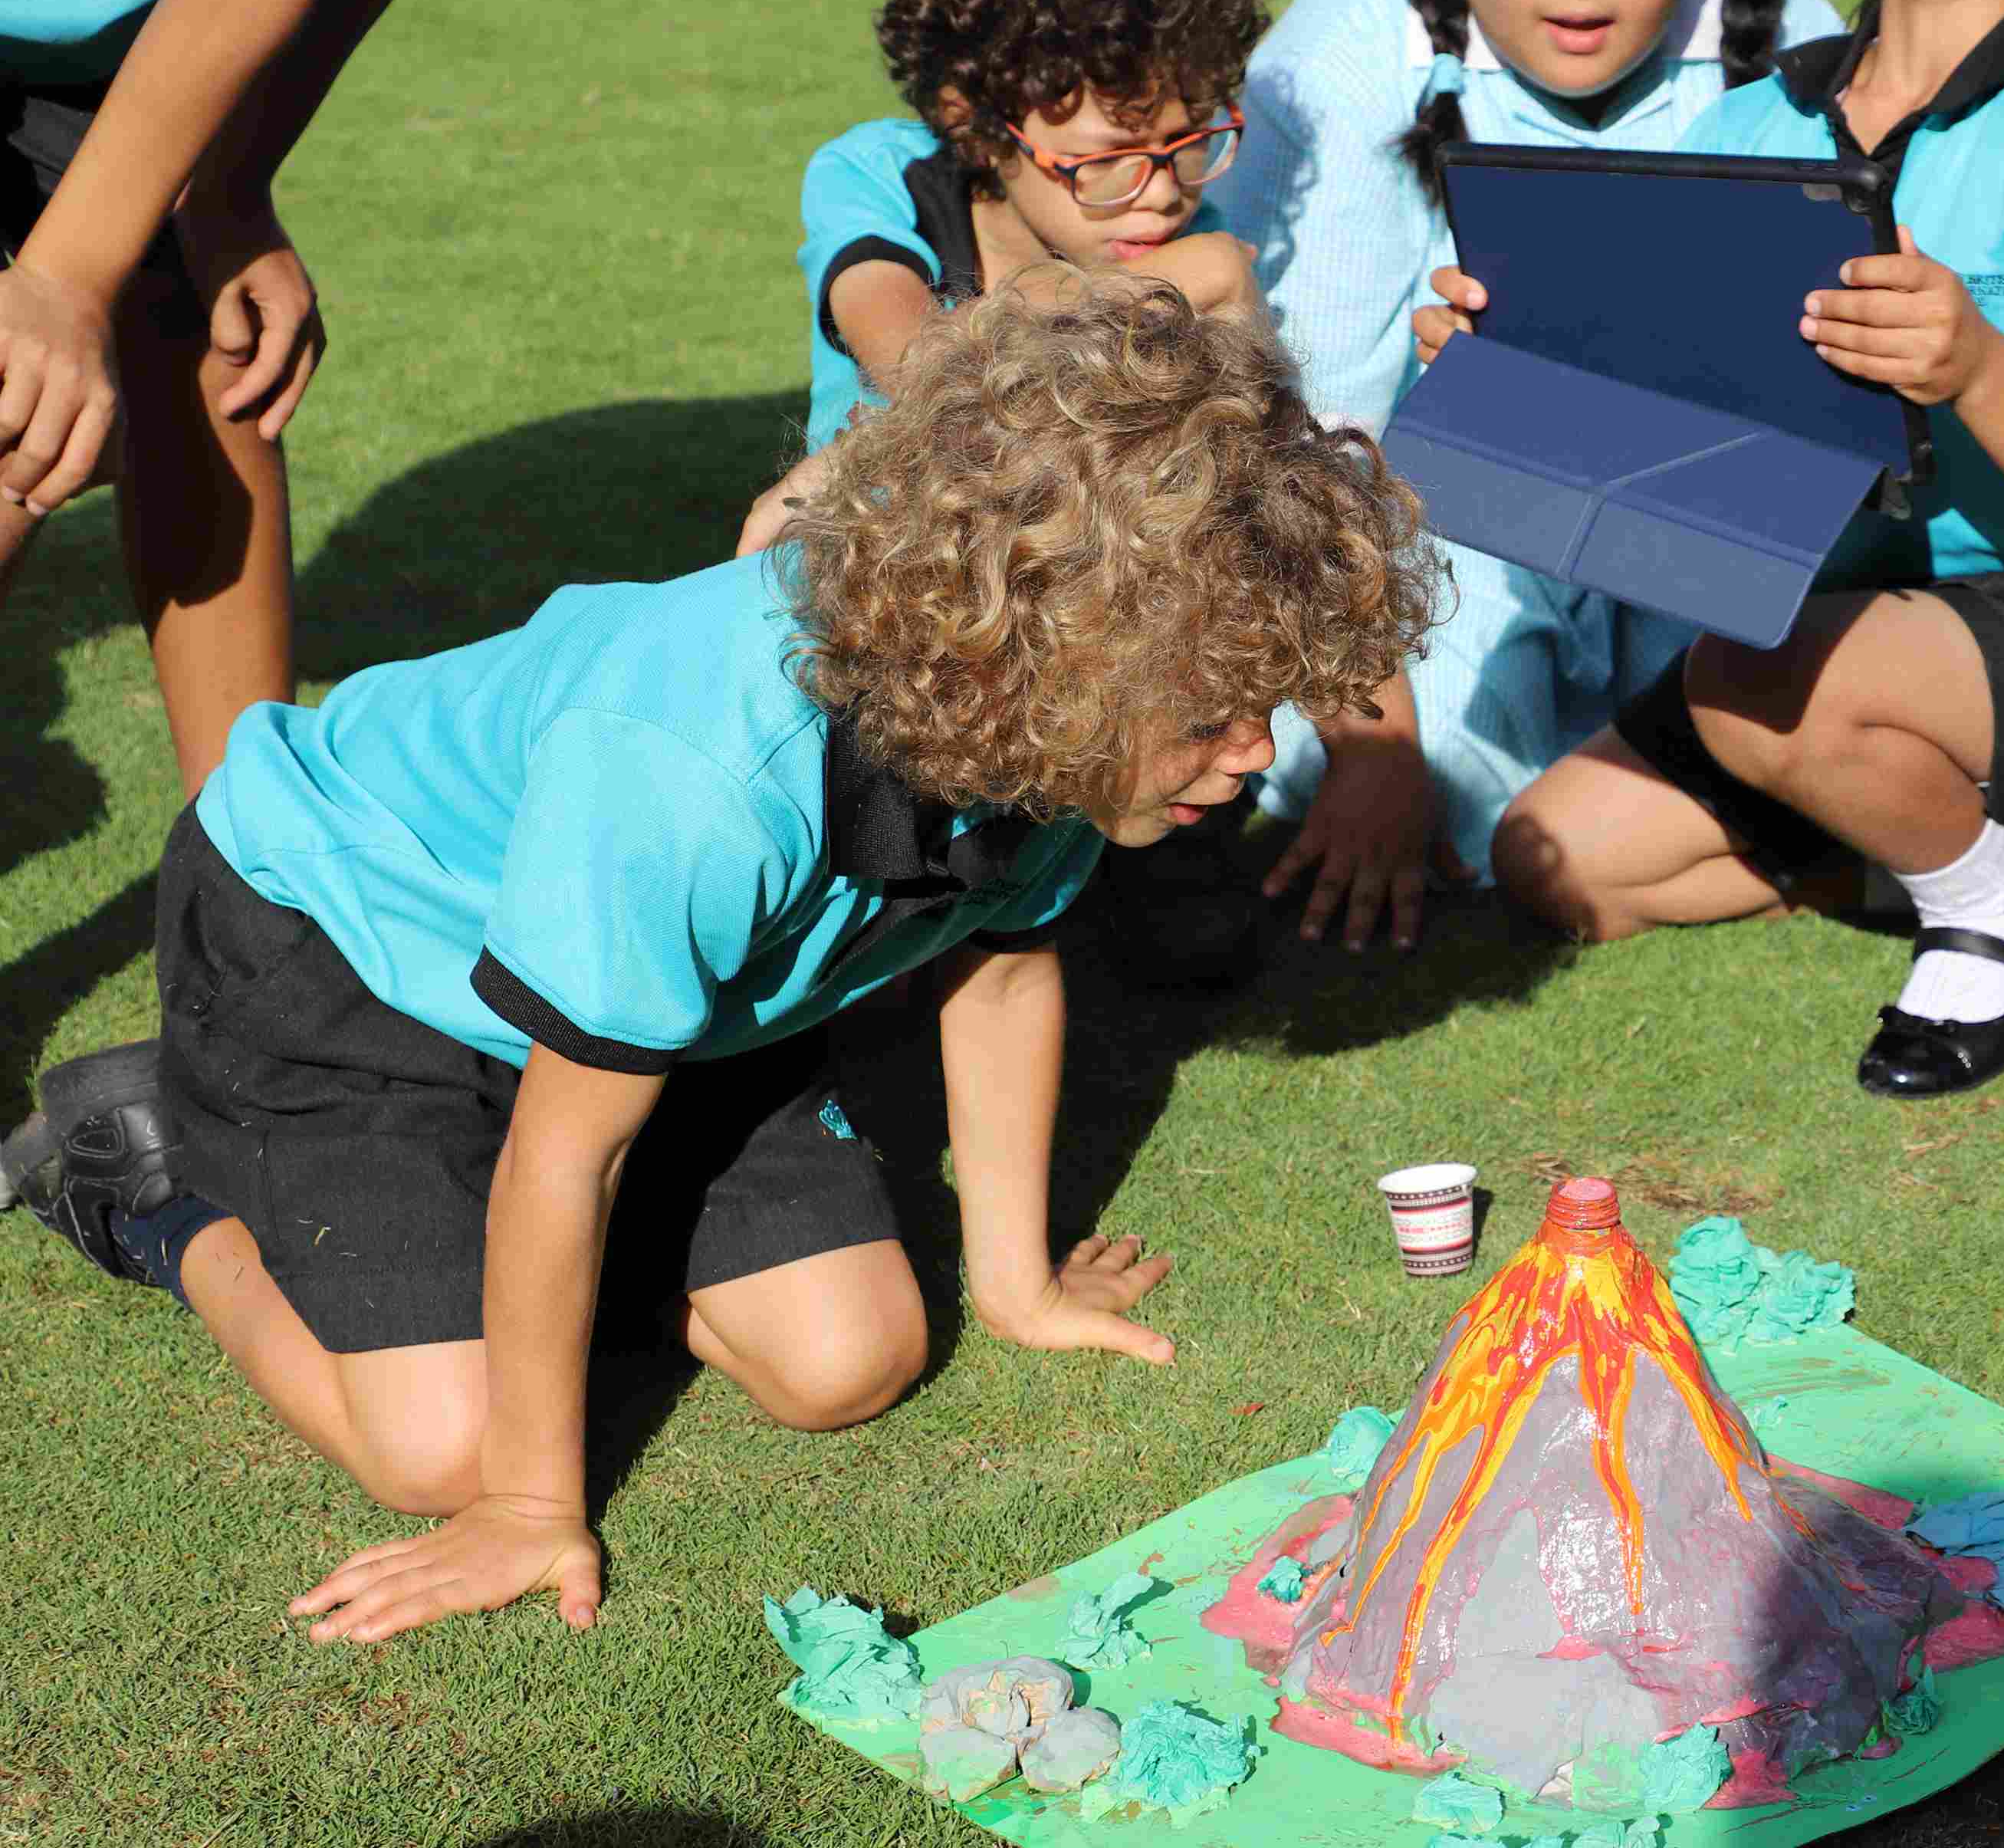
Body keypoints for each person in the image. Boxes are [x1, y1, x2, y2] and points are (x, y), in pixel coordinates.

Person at [1, 275, 1432, 1644]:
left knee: (847, 1360)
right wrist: (527, 1500)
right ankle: (151, 1182)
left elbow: (997, 966)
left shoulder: (1061, 727)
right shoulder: (699, 769)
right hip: (351, 935)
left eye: (1264, 707)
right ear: (1048, 658)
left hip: (632, 1005)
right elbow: (571, 1151)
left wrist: (1020, 1285)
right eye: (1210, 715)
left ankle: (489, 1266)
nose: (1251, 757)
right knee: (442, 1445)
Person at [1464, 0, 2004, 1098]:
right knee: (1557, 862)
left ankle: (2000, 920)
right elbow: (1671, 448)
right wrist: (1510, 371)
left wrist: (1976, 365)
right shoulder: (1749, 127)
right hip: (1807, 646)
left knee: (1745, 671)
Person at [1194, 0, 1844, 950]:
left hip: (1710, 521)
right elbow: (1295, 444)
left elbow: (1818, 434)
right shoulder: (1344, 60)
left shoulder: (1799, 45)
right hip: (1421, 540)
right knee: (1447, 798)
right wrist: (1372, 744)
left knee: (1773, 721)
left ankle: (1781, 828)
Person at [2, 0, 465, 792]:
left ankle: (252, 868)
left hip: (164, 8)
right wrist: (57, 290)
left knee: (216, 337)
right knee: (18, 391)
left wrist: (230, 183)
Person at [736, 0, 1269, 547]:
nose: (1162, 193)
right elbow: (920, 369)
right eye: (1105, 158)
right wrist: (1182, 278)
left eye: (1189, 141)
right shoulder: (880, 181)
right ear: (977, 124)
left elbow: (1235, 469)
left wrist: (855, 455)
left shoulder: (1195, 233)